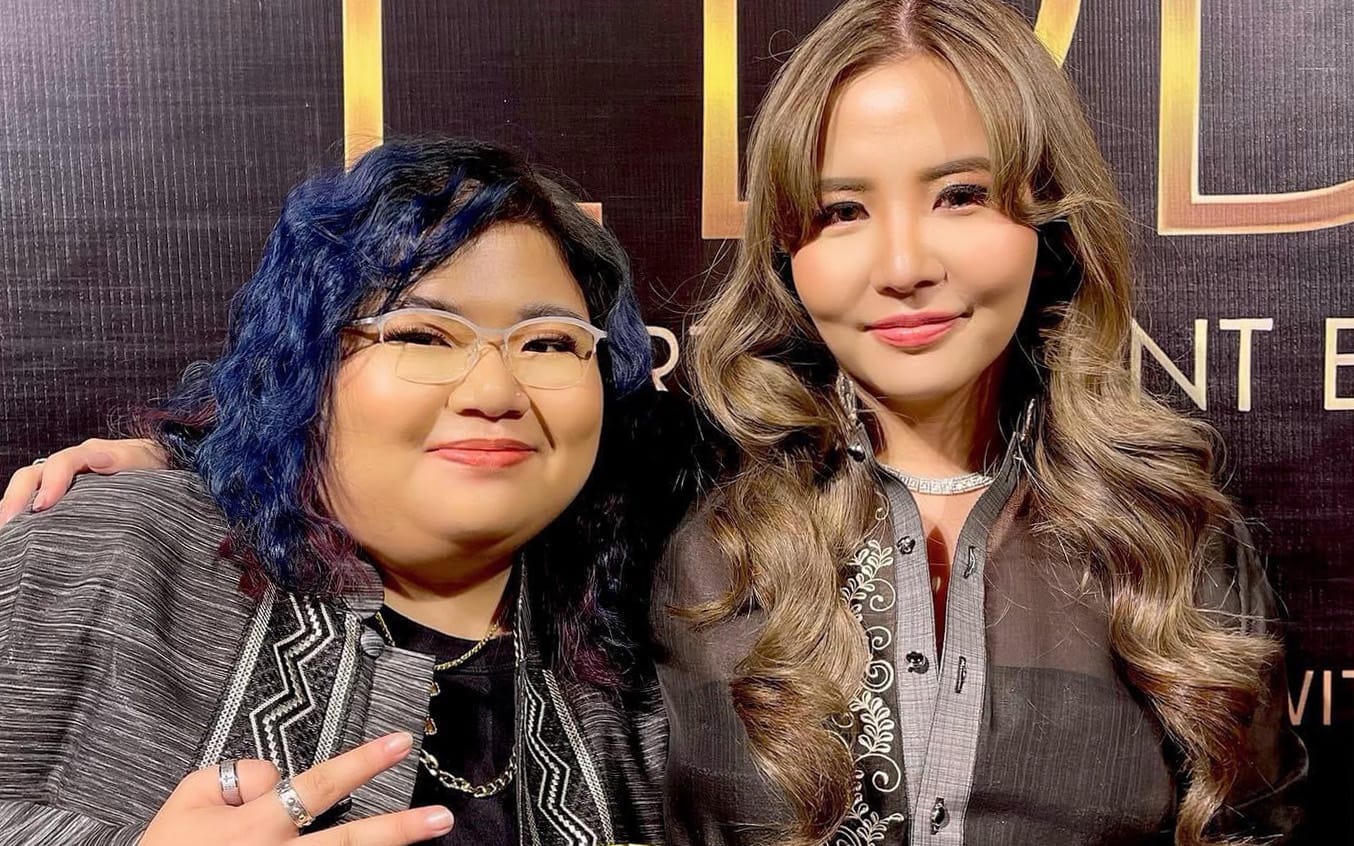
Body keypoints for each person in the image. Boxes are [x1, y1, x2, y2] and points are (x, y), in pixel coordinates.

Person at [652, 1, 1306, 844]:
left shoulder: (1174, 547)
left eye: (960, 196)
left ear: (1049, 222)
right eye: (842, 211)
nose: (903, 267)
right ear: (788, 252)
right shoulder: (710, 559)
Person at [0, 138, 671, 845]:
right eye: (422, 334)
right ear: (306, 363)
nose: (496, 391)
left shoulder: (654, 647)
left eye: (548, 343)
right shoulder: (99, 560)